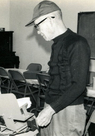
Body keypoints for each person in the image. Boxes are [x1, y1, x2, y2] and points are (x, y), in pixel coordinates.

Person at [26, 1, 90, 136]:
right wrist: (47, 108)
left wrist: (50, 110)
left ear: (50, 19)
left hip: (68, 110)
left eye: (38, 26)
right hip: (52, 106)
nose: (38, 32)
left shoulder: (77, 43)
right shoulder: (57, 43)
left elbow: (79, 85)